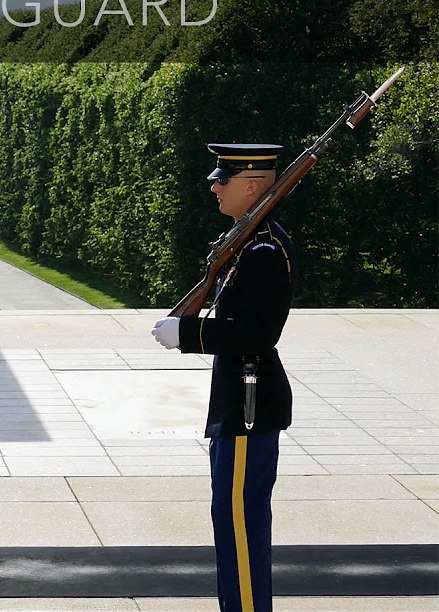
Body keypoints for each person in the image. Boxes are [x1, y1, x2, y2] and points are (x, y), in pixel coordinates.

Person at [151, 143, 296, 612]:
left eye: (223, 180)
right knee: (234, 523)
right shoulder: (249, 244)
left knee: (240, 526)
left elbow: (257, 331)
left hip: (248, 407)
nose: (214, 186)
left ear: (253, 185)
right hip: (240, 403)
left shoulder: (263, 250)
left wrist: (190, 332)